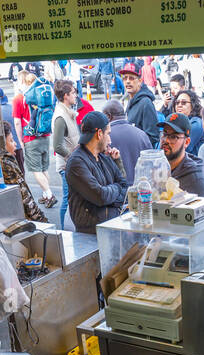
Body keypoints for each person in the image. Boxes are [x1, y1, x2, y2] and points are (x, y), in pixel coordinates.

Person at [66, 111, 128, 233]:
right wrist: (116, 188)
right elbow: (100, 196)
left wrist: (117, 162)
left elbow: (125, 187)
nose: (110, 140)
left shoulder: (104, 157)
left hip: (111, 226)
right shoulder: (76, 162)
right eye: (108, 134)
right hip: (91, 234)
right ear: (99, 134)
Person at [13, 71, 57, 208]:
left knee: (36, 170)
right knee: (44, 169)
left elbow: (17, 122)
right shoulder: (43, 97)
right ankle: (45, 194)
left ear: (22, 82)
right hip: (45, 136)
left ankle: (49, 194)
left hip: (30, 138)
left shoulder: (19, 99)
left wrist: (20, 140)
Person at [1, 122, 48, 223]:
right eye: (11, 140)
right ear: (2, 144)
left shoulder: (6, 161)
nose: (15, 143)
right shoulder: (7, 165)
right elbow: (24, 196)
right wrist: (41, 219)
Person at [159, 113, 204, 197]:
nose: (166, 140)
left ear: (186, 142)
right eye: (164, 134)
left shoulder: (195, 178)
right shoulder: (157, 167)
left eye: (173, 137)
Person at [52, 79, 80, 229]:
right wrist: (73, 157)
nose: (76, 95)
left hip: (71, 164)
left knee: (70, 197)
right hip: (67, 166)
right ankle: (64, 230)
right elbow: (57, 145)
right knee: (67, 199)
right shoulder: (61, 117)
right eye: (73, 92)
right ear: (65, 96)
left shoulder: (67, 112)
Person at [103, 99, 150, 183]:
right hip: (143, 191)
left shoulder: (104, 137)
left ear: (108, 116)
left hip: (117, 191)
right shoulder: (142, 135)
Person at [121, 63, 159, 148]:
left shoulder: (146, 103)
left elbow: (153, 136)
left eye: (131, 78)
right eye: (125, 78)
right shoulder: (129, 99)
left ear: (140, 81)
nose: (127, 81)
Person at [175, 89, 204, 156]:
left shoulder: (196, 123)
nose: (179, 105)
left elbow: (183, 148)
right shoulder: (177, 121)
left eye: (184, 103)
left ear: (192, 105)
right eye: (177, 103)